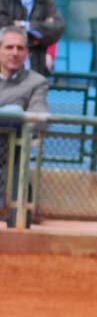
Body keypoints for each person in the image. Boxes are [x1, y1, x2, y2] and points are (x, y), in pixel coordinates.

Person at [0, 26, 49, 227]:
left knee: (14, 115)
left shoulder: (36, 82)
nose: (15, 53)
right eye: (9, 47)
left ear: (27, 52)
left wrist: (14, 117)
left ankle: (13, 210)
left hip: (14, 147)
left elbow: (40, 117)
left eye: (20, 48)